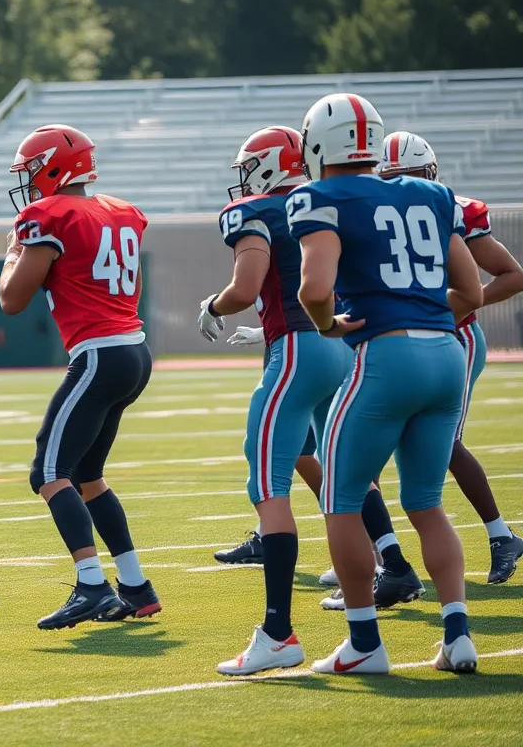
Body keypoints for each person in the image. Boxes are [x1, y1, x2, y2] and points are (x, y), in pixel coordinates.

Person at [288, 94, 483, 675]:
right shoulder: (430, 193)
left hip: (385, 356)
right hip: (446, 356)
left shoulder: (320, 196)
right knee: (427, 501)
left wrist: (329, 326)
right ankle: (457, 633)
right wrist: (420, 309)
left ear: (318, 144)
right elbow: (471, 294)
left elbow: (314, 290)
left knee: (341, 502)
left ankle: (365, 643)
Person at [194, 127, 351, 674]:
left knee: (267, 482)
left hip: (299, 352)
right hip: (341, 343)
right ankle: (378, 590)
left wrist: (215, 306)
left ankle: (279, 633)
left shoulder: (253, 209)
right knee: (342, 475)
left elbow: (246, 284)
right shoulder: (322, 201)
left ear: (264, 165)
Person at [0, 124, 160, 630]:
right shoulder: (119, 211)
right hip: (134, 350)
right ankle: (135, 586)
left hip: (98, 354)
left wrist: (11, 254)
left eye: (31, 172)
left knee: (47, 473)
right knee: (87, 476)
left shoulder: (50, 215)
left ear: (52, 167)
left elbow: (11, 298)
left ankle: (92, 584)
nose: (27, 185)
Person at [377, 131, 523, 584]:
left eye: (412, 176)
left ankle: (500, 536)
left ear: (432, 175)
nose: (404, 187)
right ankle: (376, 550)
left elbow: (512, 275)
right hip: (404, 341)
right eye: (394, 178)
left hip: (452, 339)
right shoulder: (371, 211)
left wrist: (452, 305)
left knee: (441, 446)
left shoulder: (452, 209)